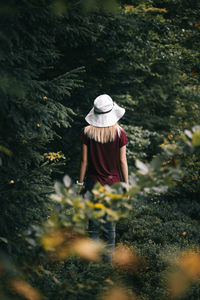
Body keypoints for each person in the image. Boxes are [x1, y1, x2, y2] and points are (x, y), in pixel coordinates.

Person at [77, 94, 128, 262]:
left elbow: (84, 161)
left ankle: (89, 264)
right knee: (109, 227)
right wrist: (126, 185)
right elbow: (122, 161)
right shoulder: (119, 133)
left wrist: (80, 184)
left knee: (93, 225)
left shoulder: (87, 132)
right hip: (112, 185)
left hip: (92, 184)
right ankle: (106, 265)